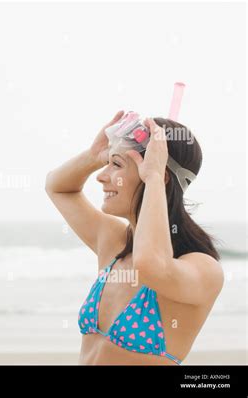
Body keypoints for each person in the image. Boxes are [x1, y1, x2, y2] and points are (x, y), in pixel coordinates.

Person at [46, 111, 224, 365]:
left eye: (116, 164)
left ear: (160, 177)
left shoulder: (203, 269)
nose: (101, 175)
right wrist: (92, 156)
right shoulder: (114, 241)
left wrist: (152, 179)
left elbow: (151, 265)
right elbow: (57, 187)